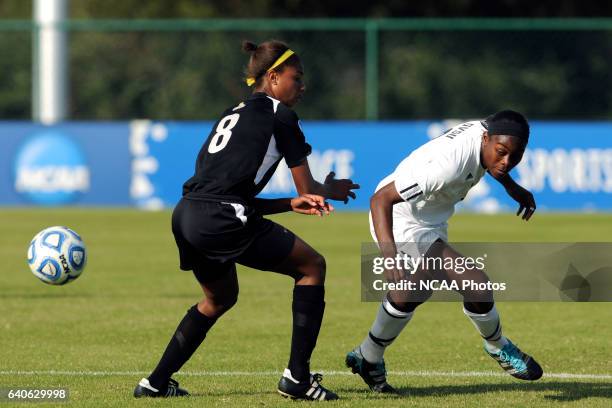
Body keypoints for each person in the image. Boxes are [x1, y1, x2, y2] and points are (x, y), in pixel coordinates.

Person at [133, 40, 359, 401]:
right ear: (272, 77)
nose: (302, 87)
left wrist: (290, 202)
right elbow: (307, 186)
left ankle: (155, 383)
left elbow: (230, 193)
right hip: (221, 216)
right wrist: (325, 189)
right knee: (312, 267)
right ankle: (297, 379)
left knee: (219, 298)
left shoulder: (230, 113)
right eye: (295, 78)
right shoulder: (281, 116)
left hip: (188, 213)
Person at [345, 110, 543, 393]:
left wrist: (512, 186)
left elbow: (496, 157)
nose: (507, 162)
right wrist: (389, 257)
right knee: (476, 283)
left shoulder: (490, 135)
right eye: (501, 152)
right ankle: (499, 346)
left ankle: (368, 356)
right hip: (400, 218)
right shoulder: (447, 165)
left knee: (413, 292)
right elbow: (380, 200)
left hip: (430, 219)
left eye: (516, 156)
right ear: (485, 138)